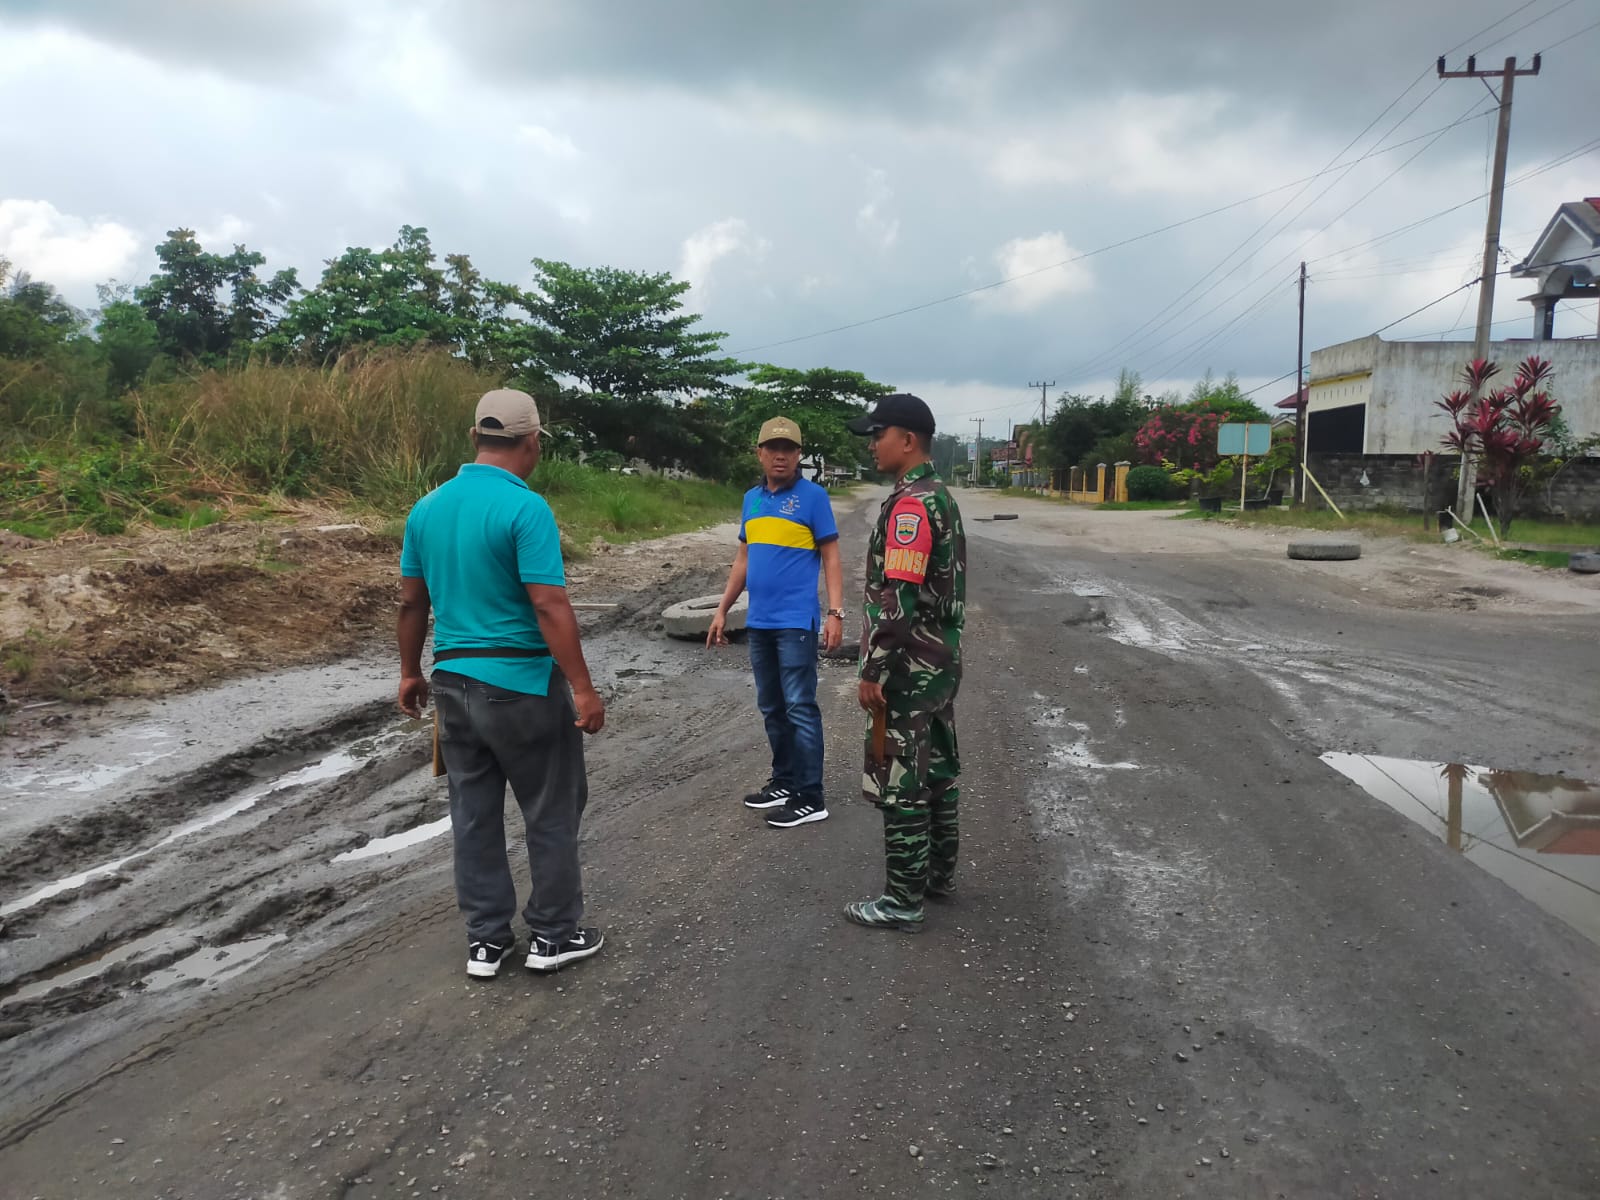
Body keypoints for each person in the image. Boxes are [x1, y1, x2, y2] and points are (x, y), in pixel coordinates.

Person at [397, 388, 606, 979]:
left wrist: (411, 672)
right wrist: (583, 688)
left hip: (453, 684)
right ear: (532, 442)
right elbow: (548, 603)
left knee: (474, 815)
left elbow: (413, 603)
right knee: (551, 809)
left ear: (475, 439)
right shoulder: (526, 508)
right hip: (520, 683)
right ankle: (554, 935)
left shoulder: (426, 509)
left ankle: (486, 941)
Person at [843, 393, 965, 930]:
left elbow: (898, 597)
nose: (872, 444)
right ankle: (938, 875)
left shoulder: (911, 505)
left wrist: (873, 669)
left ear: (908, 440)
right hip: (938, 662)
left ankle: (902, 901)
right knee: (937, 767)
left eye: (878, 434)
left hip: (909, 668)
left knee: (902, 779)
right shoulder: (939, 495)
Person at [707, 416, 845, 829]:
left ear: (799, 455)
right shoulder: (752, 499)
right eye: (772, 448)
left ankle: (810, 795)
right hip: (760, 621)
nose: (780, 455)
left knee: (800, 706)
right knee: (771, 706)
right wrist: (721, 609)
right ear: (760, 453)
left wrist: (836, 613)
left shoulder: (813, 497)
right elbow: (744, 560)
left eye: (788, 449)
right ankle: (784, 780)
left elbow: (832, 557)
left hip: (795, 623)